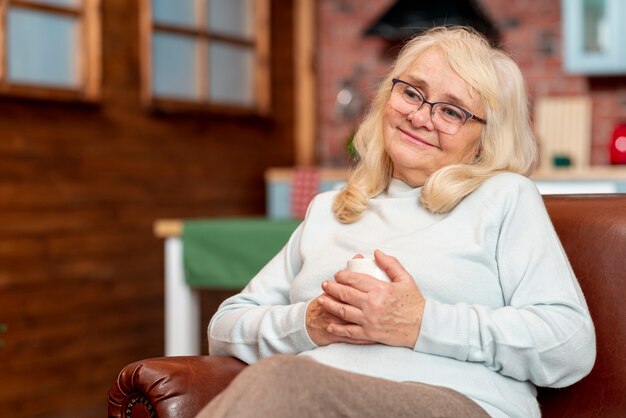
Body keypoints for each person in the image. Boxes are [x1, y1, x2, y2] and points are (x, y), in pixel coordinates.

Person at [196, 26, 595, 418]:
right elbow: (225, 327)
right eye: (412, 92)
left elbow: (568, 345)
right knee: (284, 382)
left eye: (452, 111)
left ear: (486, 140)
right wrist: (312, 323)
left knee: (281, 381)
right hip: (316, 396)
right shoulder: (329, 209)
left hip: (455, 402)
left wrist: (420, 322)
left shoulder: (504, 197)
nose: (421, 117)